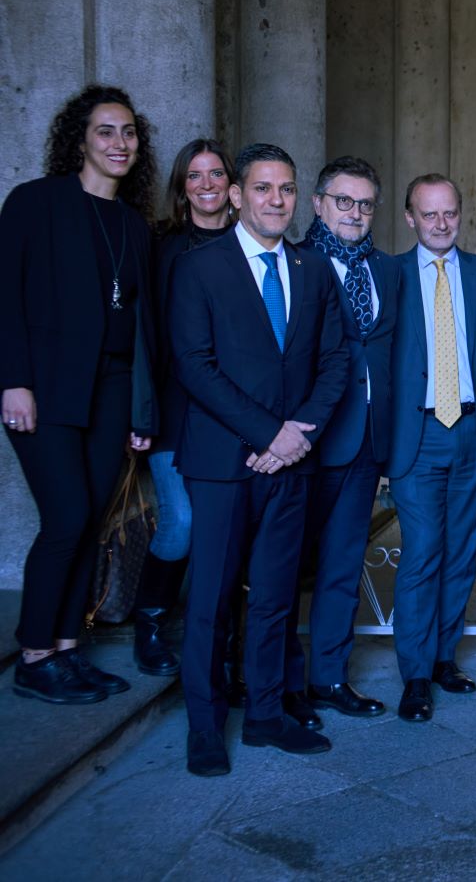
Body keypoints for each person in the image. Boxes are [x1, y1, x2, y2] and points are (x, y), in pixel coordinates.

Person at [168, 143, 350, 776]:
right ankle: (205, 727)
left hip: (292, 461)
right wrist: (268, 434)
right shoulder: (200, 267)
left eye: (288, 189)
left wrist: (297, 434)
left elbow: (335, 362)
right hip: (223, 463)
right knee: (212, 599)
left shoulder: (313, 268)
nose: (278, 200)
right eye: (265, 189)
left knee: (274, 596)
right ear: (239, 196)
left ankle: (267, 717)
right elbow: (194, 366)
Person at [1, 85, 158, 704]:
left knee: (89, 521)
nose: (120, 144)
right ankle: (34, 655)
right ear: (81, 140)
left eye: (128, 133)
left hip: (112, 389)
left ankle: (67, 649)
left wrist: (140, 410)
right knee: (64, 517)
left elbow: (143, 325)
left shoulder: (132, 224)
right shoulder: (34, 203)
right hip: (45, 389)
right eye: (106, 131)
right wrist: (13, 381)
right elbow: (4, 297)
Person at [278, 156, 400, 726]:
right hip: (303, 441)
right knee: (280, 566)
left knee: (342, 566)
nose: (355, 213)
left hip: (364, 443)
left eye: (365, 203)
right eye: (343, 201)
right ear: (319, 203)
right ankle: (278, 684)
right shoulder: (294, 264)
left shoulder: (388, 270)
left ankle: (328, 677)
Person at [386, 173, 476, 724]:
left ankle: (442, 658)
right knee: (421, 553)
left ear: (461, 214)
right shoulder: (388, 276)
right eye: (428, 214)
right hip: (417, 435)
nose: (441, 224)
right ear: (410, 217)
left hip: (473, 430)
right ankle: (414, 674)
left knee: (462, 553)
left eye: (450, 213)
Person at [130, 137, 235, 677]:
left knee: (229, 525)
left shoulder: (250, 242)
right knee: (183, 522)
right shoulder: (163, 247)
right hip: (174, 407)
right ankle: (149, 620)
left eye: (216, 174)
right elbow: (144, 335)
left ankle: (221, 631)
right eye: (194, 176)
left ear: (232, 185)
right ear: (182, 188)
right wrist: (141, 414)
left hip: (233, 411)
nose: (207, 185)